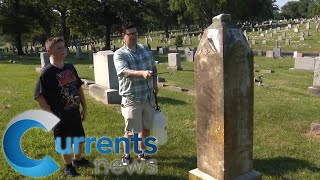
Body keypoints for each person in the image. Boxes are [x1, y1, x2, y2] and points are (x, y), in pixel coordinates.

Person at [34, 37, 89, 177]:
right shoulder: (47, 73)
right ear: (49, 51)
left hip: (74, 111)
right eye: (58, 48)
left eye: (63, 47)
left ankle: (78, 159)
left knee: (80, 137)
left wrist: (84, 106)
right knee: (63, 141)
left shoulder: (70, 67)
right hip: (59, 115)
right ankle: (68, 166)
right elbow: (39, 96)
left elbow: (78, 87)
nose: (63, 50)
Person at [114, 22, 158, 166]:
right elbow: (123, 71)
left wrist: (155, 84)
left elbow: (153, 68)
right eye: (130, 34)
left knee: (146, 128)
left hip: (148, 97)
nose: (133, 36)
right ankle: (126, 155)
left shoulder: (144, 50)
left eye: (135, 33)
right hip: (132, 98)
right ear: (123, 36)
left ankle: (142, 152)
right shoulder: (120, 54)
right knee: (131, 131)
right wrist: (142, 73)